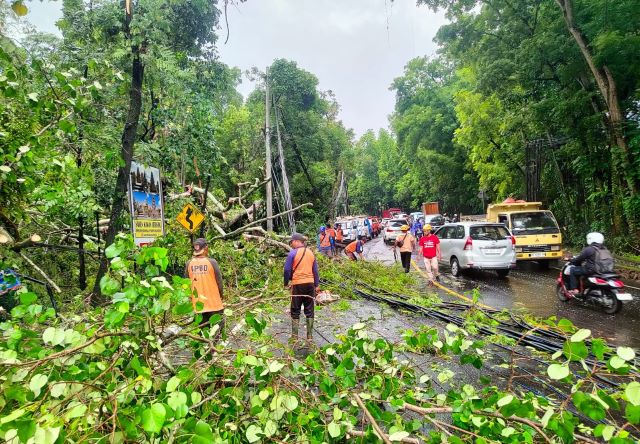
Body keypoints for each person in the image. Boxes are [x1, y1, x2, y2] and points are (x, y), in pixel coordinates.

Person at [185, 238, 225, 338]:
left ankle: (205, 349)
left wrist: (190, 299)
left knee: (203, 332)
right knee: (218, 330)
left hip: (198, 305)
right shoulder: (212, 262)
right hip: (214, 303)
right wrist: (221, 296)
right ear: (206, 248)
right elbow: (219, 283)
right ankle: (213, 348)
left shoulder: (189, 264)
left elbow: (186, 284)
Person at [284, 233, 320, 342]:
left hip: (298, 284)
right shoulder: (310, 253)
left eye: (292, 242)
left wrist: (286, 282)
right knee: (309, 308)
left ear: (296, 241)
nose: (292, 244)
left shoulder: (292, 253)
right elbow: (315, 271)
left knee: (295, 309)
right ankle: (309, 336)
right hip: (310, 284)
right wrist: (317, 285)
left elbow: (287, 270)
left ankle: (295, 337)